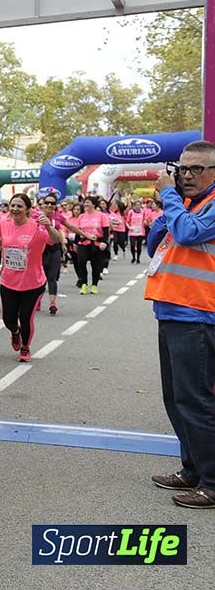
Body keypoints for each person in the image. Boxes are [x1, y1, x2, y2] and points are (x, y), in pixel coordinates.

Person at [144, 141, 215, 509]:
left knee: (197, 401)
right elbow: (155, 244)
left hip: (198, 316)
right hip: (172, 312)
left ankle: (212, 481)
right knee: (176, 399)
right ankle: (192, 469)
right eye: (182, 169)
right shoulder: (187, 204)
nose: (186, 175)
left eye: (197, 169)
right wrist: (168, 208)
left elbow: (188, 234)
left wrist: (170, 198)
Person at [0, 194, 62, 361]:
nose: (15, 209)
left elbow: (54, 240)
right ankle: (14, 332)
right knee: (8, 318)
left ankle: (25, 347)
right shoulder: (4, 224)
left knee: (26, 318)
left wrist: (49, 228)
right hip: (9, 281)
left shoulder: (37, 226)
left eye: (19, 206)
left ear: (27, 210)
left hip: (32, 283)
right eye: (13, 205)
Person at [75, 197, 110, 294]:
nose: (85, 204)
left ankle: (94, 285)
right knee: (81, 263)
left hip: (97, 243)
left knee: (96, 265)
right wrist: (75, 243)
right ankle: (84, 284)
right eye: (84, 203)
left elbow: (106, 231)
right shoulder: (81, 216)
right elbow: (77, 231)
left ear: (93, 204)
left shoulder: (101, 216)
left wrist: (104, 242)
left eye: (87, 202)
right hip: (83, 243)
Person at [125, 199, 148, 264]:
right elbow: (127, 221)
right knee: (132, 245)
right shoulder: (131, 212)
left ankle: (138, 258)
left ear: (141, 205)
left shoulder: (143, 212)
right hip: (132, 231)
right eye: (136, 205)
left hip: (140, 231)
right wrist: (129, 228)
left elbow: (145, 220)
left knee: (139, 245)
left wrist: (145, 222)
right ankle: (133, 257)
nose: (138, 206)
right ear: (134, 206)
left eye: (139, 205)